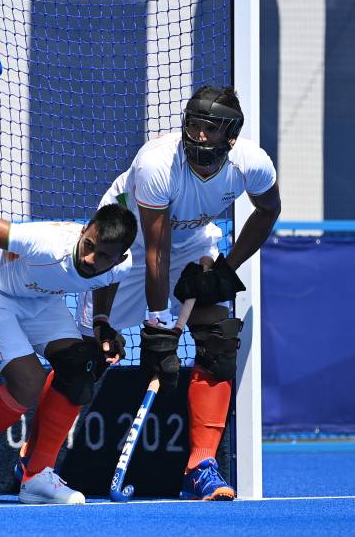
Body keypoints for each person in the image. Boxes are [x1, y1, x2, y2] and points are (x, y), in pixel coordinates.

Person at [76, 85, 281, 501]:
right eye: (194, 125)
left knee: (220, 338)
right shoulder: (157, 164)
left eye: (210, 129)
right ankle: (38, 458)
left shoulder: (251, 164)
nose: (199, 136)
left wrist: (226, 268)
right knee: (89, 353)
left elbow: (268, 211)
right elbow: (155, 252)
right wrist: (158, 327)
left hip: (191, 244)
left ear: (231, 135)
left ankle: (200, 465)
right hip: (125, 246)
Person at [0, 204, 138, 504]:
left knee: (83, 364)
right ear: (84, 232)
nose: (90, 259)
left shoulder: (120, 265)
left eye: (105, 257)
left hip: (40, 298)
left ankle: (37, 475)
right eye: (89, 246)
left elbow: (108, 278)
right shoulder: (47, 243)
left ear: (119, 258)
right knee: (27, 381)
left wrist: (101, 320)